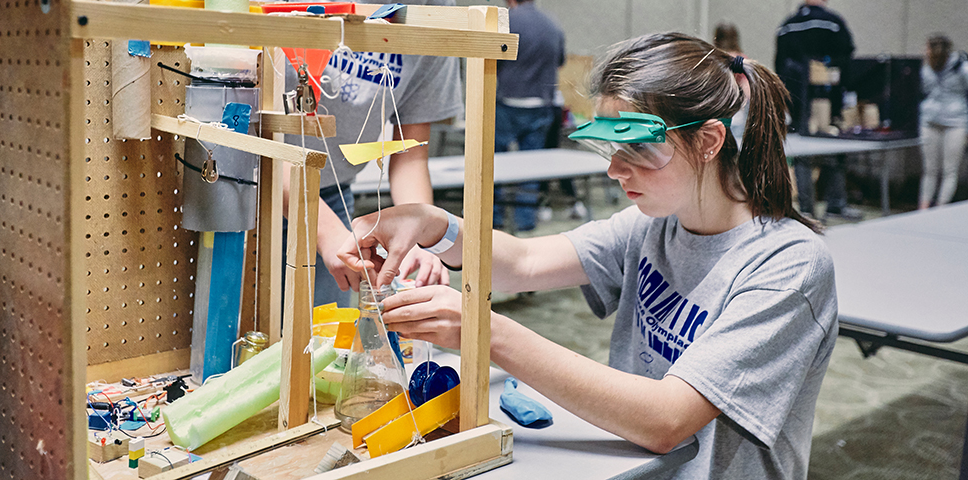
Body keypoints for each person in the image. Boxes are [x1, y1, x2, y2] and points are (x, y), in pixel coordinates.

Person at [338, 33, 838, 479]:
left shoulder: (788, 266)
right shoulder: (655, 223)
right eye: (608, 149)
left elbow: (667, 419)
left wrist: (480, 329)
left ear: (708, 141)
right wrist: (433, 223)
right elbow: (525, 262)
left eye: (638, 150)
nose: (615, 170)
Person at [281, 0, 462, 307]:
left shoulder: (435, 12)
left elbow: (411, 153)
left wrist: (420, 232)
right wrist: (327, 232)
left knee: (317, 340)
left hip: (331, 192)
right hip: (250, 184)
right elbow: (252, 133)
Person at [775, 0, 862, 221]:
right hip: (827, 99)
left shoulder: (787, 25)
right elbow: (847, 58)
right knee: (835, 147)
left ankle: (806, 209)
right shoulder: (833, 22)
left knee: (802, 152)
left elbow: (779, 65)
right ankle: (835, 204)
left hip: (796, 99)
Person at [492, 0, 565, 231]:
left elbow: (493, 59)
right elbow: (560, 60)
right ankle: (526, 220)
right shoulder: (552, 24)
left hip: (508, 102)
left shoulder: (507, 21)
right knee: (532, 166)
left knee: (492, 162)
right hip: (540, 103)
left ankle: (493, 217)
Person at [918, 33, 968, 209]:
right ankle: (923, 208)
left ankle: (941, 207)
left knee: (950, 170)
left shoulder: (961, 67)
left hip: (955, 123)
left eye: (927, 48)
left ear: (934, 50)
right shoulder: (927, 67)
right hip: (930, 121)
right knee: (930, 169)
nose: (924, 51)